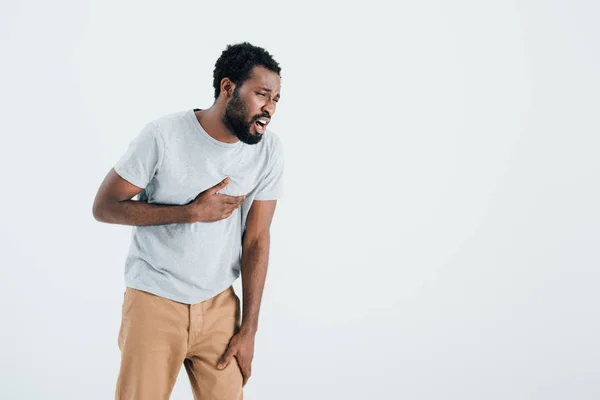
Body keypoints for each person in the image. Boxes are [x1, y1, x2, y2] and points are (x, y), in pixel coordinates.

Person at [92, 41, 284, 400]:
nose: (269, 109)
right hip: (154, 300)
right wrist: (190, 212)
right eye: (261, 95)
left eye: (275, 100)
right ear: (228, 88)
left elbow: (257, 239)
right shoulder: (164, 135)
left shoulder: (268, 151)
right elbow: (104, 206)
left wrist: (250, 329)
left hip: (220, 307)